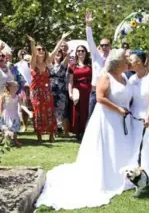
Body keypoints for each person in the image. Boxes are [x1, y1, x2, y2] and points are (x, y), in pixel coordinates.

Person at [35, 49, 134, 210]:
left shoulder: (123, 77)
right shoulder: (106, 76)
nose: (127, 61)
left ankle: (121, 174)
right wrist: (118, 109)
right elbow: (100, 98)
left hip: (123, 119)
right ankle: (106, 177)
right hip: (109, 118)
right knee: (107, 147)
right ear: (117, 62)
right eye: (125, 59)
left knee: (120, 146)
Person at [27, 32, 71, 142]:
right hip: (36, 92)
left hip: (46, 91)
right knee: (38, 112)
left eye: (42, 49)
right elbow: (33, 53)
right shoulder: (33, 64)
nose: (41, 51)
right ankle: (39, 136)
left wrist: (61, 39)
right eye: (39, 49)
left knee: (49, 111)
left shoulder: (47, 62)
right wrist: (32, 43)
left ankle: (51, 135)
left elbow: (55, 51)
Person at [85, 11, 111, 118]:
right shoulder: (96, 55)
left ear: (110, 46)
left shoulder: (113, 57)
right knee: (91, 117)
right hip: (95, 91)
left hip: (108, 92)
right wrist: (88, 26)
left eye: (106, 45)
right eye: (102, 45)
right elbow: (90, 41)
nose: (104, 47)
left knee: (106, 118)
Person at [68, 45, 92, 140]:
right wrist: (70, 92)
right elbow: (70, 80)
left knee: (87, 110)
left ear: (86, 52)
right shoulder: (72, 65)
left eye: (82, 51)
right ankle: (78, 131)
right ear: (76, 53)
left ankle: (87, 130)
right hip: (77, 89)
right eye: (78, 51)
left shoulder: (90, 64)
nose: (80, 52)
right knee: (77, 111)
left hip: (88, 89)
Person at [0, 81, 32, 146]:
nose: (16, 88)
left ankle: (15, 141)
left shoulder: (17, 97)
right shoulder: (4, 96)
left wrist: (29, 112)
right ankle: (6, 141)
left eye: (17, 86)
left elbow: (22, 105)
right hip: (6, 115)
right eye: (14, 86)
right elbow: (1, 106)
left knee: (14, 129)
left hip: (14, 115)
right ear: (9, 87)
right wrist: (1, 114)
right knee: (7, 128)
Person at [50, 49, 70, 136]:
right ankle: (54, 132)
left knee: (63, 112)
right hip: (51, 91)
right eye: (56, 53)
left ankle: (66, 132)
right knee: (52, 112)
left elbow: (67, 59)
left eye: (59, 54)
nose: (57, 55)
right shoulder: (50, 65)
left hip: (61, 92)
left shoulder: (62, 64)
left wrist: (68, 54)